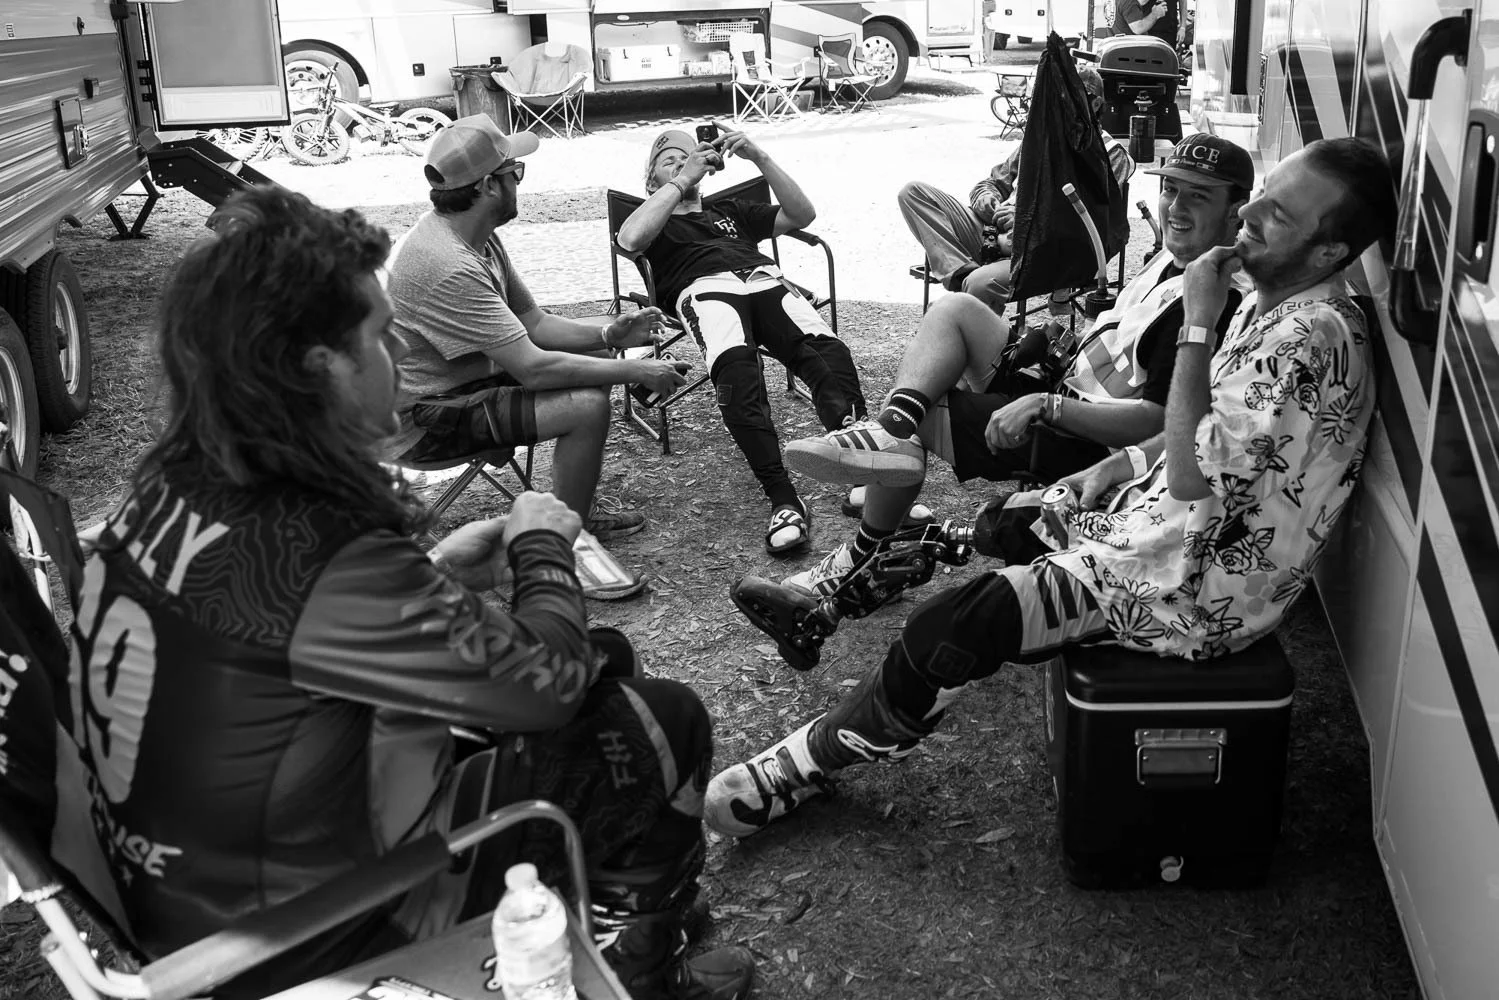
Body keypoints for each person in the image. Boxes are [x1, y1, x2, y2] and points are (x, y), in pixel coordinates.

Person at [66, 185, 755, 1000]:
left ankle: (622, 889)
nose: (399, 360)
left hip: (194, 882)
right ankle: (638, 969)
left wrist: (431, 573)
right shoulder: (316, 545)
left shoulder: (166, 489)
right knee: (659, 717)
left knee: (603, 654)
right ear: (319, 367)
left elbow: (267, 644)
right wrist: (540, 546)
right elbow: (549, 689)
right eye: (381, 337)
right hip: (310, 926)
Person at [704, 137, 1393, 839]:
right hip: (1164, 528)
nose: (1249, 215)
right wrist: (1113, 468)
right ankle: (841, 596)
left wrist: (1196, 320)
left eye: (1276, 214)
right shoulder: (1274, 298)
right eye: (1261, 197)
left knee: (958, 624)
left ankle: (799, 766)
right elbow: (1203, 430)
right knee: (1010, 520)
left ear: (1329, 252)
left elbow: (1189, 470)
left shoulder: (1305, 337)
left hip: (1190, 588)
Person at [784, 133, 1254, 599]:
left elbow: (1160, 424)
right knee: (956, 311)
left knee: (923, 421)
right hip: (1064, 385)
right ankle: (891, 431)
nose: (1175, 207)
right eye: (1171, 189)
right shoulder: (1178, 259)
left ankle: (861, 562)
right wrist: (1066, 342)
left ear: (1237, 210)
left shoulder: (1212, 300)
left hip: (1086, 441)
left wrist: (1047, 405)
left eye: (1198, 196)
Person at [384, 115, 690, 599]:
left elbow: (536, 325)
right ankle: (557, 556)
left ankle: (572, 517)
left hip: (460, 386)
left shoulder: (475, 236)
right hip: (421, 420)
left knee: (595, 365)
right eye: (515, 172)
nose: (519, 182)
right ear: (489, 186)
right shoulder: (448, 263)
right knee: (586, 407)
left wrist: (608, 333)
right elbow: (534, 367)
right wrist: (636, 368)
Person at [616, 124, 867, 555]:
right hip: (704, 289)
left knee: (828, 353)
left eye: (687, 157)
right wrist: (684, 179)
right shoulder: (653, 218)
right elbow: (629, 239)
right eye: (668, 162)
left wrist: (759, 156)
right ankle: (784, 500)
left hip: (764, 279)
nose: (680, 163)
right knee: (737, 374)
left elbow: (802, 215)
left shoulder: (730, 209)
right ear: (651, 181)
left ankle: (862, 470)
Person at [897, 64, 1135, 312]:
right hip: (993, 231)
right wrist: (986, 198)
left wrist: (1027, 219)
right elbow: (993, 181)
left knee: (979, 285)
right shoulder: (1040, 140)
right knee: (913, 193)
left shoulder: (1110, 154)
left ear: (1095, 104)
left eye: (1068, 97)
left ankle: (974, 300)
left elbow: (1092, 220)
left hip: (1044, 252)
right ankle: (959, 272)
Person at [1113, 0, 1181, 47]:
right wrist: (1155, 14)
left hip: (1113, 46)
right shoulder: (1129, 2)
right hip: (1127, 50)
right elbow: (1138, 28)